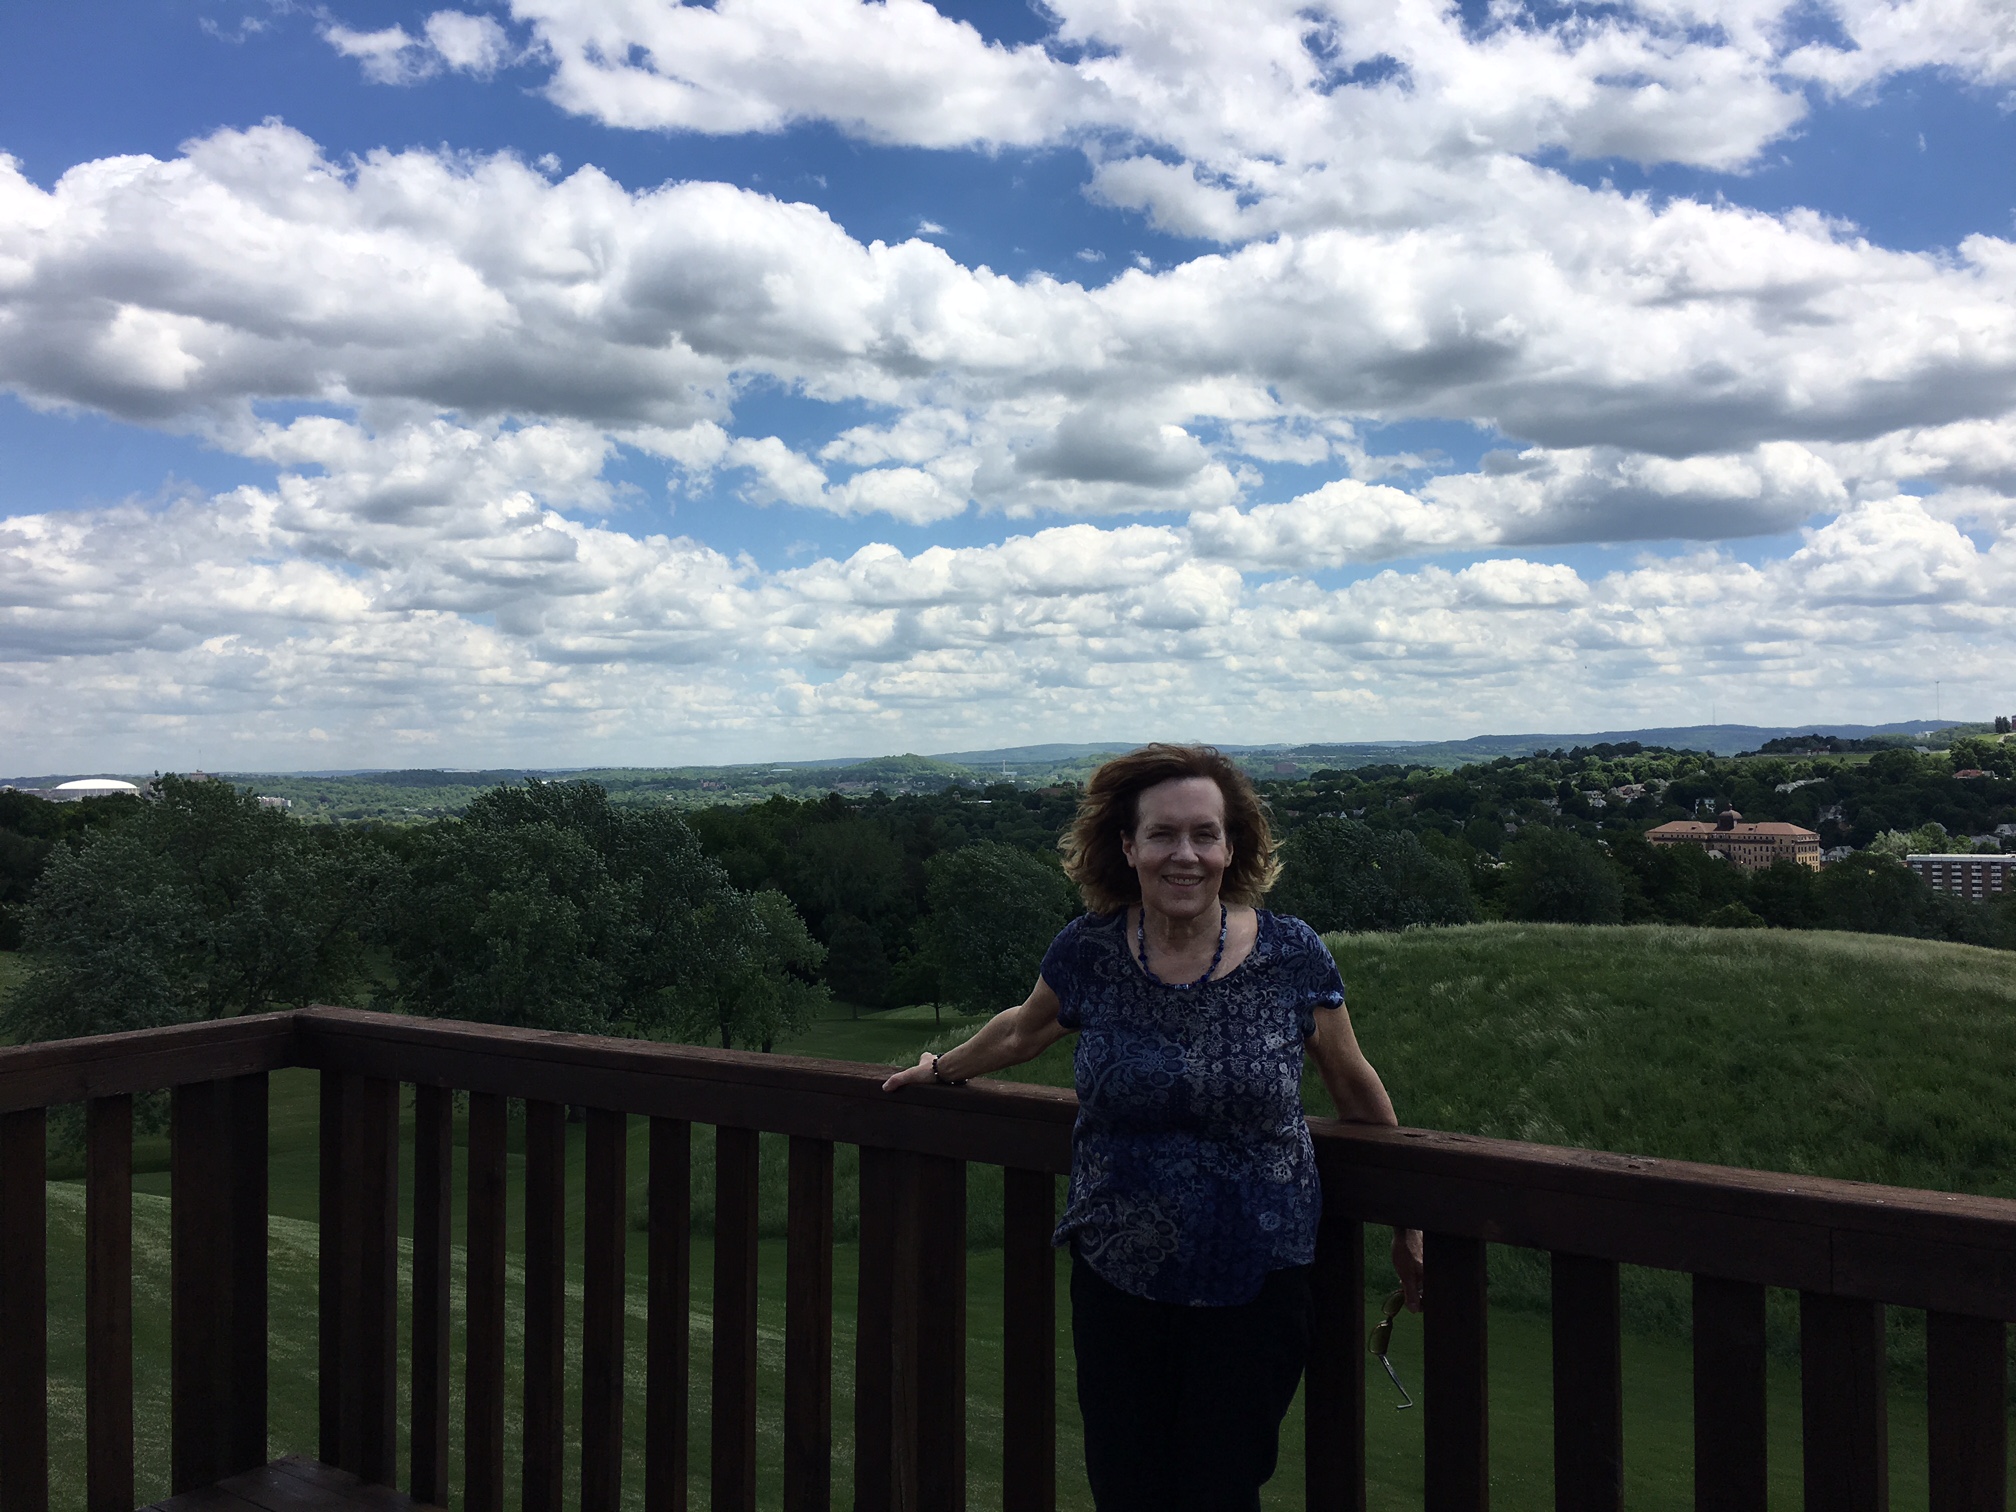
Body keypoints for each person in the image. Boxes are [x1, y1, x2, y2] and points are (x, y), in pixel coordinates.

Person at [882, 743, 1423, 1512]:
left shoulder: (1291, 954)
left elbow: (1354, 1083)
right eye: (1163, 835)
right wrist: (941, 1071)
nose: (1186, 854)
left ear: (1232, 847)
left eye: (1205, 834)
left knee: (1218, 1490)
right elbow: (1021, 1032)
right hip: (1118, 1279)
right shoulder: (1090, 951)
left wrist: (1409, 1220)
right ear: (1128, 846)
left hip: (1256, 1284)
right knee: (1126, 1487)